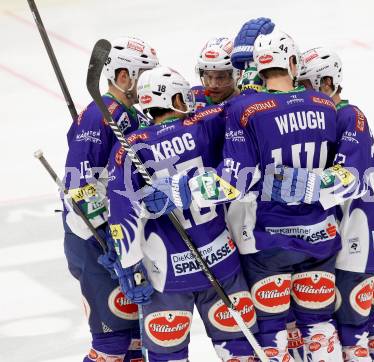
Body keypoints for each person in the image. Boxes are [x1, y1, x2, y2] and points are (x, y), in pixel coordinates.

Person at [145, 30, 354, 361]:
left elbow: (231, 182)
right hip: (320, 238)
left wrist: (178, 189)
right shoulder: (326, 106)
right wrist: (310, 183)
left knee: (274, 333)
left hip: (268, 242)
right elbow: (348, 178)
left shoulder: (246, 109)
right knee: (319, 329)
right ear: (294, 64)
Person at [106, 65, 259, 362]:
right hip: (222, 263)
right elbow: (243, 109)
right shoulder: (205, 123)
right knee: (241, 351)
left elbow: (122, 216)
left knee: (168, 357)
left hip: (166, 274)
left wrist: (129, 267)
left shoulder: (127, 149)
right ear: (176, 100)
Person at [298, 47, 374, 362]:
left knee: (353, 333)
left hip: (361, 237)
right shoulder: (341, 116)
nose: (301, 94)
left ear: (327, 82)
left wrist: (296, 183)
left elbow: (345, 178)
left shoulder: (346, 114)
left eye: (306, 85)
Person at [62, 36, 158, 361]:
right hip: (94, 244)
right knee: (112, 345)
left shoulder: (133, 116)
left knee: (135, 344)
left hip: (121, 242)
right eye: (144, 74)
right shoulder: (98, 116)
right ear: (123, 77)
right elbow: (78, 188)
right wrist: (111, 239)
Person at [192, 37, 241, 110]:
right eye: (208, 77)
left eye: (220, 77)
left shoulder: (246, 105)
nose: (213, 85)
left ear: (236, 75)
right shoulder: (192, 98)